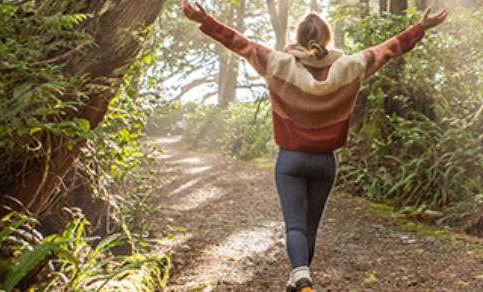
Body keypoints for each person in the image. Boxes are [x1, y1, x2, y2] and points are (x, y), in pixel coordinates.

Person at [180, 1, 449, 291]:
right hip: (325, 163)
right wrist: (421, 27)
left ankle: (302, 279)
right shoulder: (350, 66)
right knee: (309, 228)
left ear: (298, 38)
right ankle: (297, 280)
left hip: (290, 161)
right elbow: (389, 49)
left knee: (294, 226)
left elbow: (238, 43)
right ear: (327, 38)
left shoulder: (278, 64)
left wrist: (204, 20)